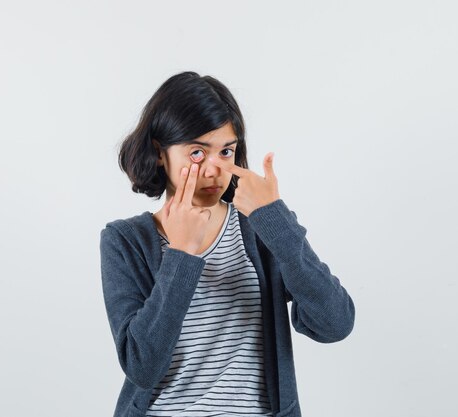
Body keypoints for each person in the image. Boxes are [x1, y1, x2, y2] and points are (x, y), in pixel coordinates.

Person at [99, 71, 355, 417]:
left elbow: (334, 323)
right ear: (161, 153)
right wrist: (181, 254)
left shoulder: (260, 228)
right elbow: (142, 366)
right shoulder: (125, 241)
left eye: (226, 151)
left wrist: (275, 221)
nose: (213, 169)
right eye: (196, 153)